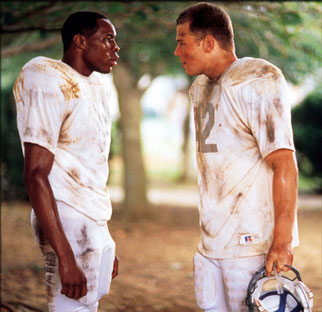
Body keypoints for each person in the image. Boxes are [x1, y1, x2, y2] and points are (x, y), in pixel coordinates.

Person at [174, 3, 299, 312]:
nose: (177, 51)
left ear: (208, 43)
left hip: (251, 244)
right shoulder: (199, 88)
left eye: (181, 41)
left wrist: (281, 243)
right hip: (211, 242)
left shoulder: (257, 78)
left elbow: (284, 163)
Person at [13, 11, 120, 312]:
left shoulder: (96, 87)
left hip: (92, 215)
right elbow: (35, 173)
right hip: (64, 216)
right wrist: (66, 257)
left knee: (89, 306)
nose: (116, 48)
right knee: (69, 307)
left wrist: (103, 233)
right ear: (79, 41)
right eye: (108, 39)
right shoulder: (45, 77)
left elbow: (90, 168)